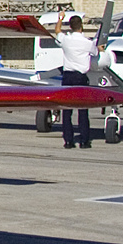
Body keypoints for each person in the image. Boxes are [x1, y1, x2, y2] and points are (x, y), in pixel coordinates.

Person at [53, 13, 98, 149]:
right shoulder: (87, 43)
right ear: (81, 27)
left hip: (67, 77)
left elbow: (57, 31)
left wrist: (60, 18)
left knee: (67, 110)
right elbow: (96, 52)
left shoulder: (66, 40)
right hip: (80, 77)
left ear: (71, 27)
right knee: (83, 110)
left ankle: (68, 141)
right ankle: (84, 141)